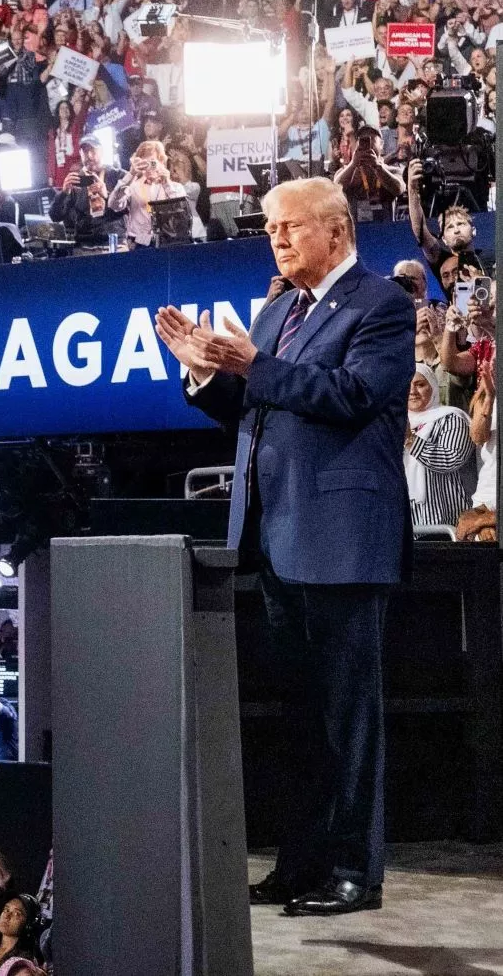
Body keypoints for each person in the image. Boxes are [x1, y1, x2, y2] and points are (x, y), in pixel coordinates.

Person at [155, 176, 415, 916]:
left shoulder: (382, 306)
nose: (276, 238)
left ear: (335, 231)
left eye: (289, 227)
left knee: (346, 721)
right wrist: (203, 369)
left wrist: (251, 366)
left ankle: (353, 873)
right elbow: (249, 403)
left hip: (341, 540)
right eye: (270, 228)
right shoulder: (274, 311)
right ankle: (300, 865)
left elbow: (351, 397)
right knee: (298, 719)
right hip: (274, 537)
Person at [404, 363, 476, 526]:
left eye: (420, 384)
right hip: (406, 523)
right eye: (407, 385)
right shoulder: (398, 421)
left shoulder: (452, 418)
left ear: (433, 386)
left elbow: (451, 459)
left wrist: (410, 440)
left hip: (445, 522)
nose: (412, 391)